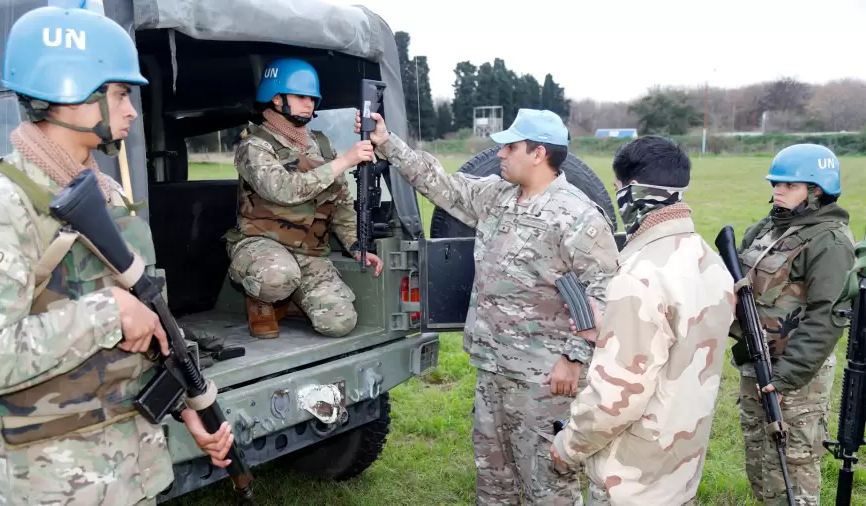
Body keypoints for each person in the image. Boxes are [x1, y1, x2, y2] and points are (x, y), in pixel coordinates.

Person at [0, 5, 234, 505]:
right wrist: (107, 313)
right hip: (55, 482)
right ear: (69, 91)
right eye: (119, 94)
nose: (132, 109)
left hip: (136, 469)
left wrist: (187, 403)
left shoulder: (106, 195)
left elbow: (154, 321)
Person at [357, 108, 620, 505]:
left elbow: (605, 293)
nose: (499, 154)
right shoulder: (498, 196)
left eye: (510, 147)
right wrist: (387, 142)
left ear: (538, 153)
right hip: (492, 368)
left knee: (547, 482)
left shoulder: (578, 216)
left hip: (544, 378)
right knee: (494, 478)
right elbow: (441, 184)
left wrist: (574, 357)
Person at [549, 135, 736, 505]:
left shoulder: (640, 275)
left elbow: (616, 398)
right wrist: (611, 330)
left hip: (632, 480)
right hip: (680, 467)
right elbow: (676, 346)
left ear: (633, 193)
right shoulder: (711, 261)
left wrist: (568, 446)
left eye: (618, 188)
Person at [223, 57, 382, 340]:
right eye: (300, 96)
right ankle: (262, 300)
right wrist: (344, 161)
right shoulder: (254, 145)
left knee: (339, 322)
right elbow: (283, 190)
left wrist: (356, 245)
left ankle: (294, 300)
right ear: (275, 98)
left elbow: (342, 202)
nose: (309, 103)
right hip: (261, 245)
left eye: (312, 97)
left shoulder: (321, 145)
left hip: (309, 250)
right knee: (277, 277)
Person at [732, 143, 855, 505]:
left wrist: (786, 377)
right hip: (756, 364)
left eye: (789, 185)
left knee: (793, 468)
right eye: (776, 184)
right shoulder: (766, 229)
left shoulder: (829, 241)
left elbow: (826, 318)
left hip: (798, 378)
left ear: (817, 190)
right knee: (761, 462)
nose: (778, 191)